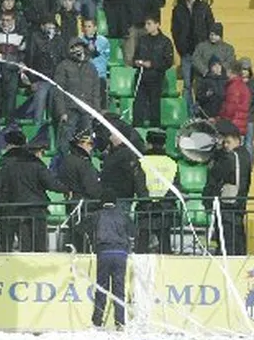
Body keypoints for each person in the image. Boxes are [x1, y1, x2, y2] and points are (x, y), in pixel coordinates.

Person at [0, 138, 66, 252]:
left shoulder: (11, 166)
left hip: (17, 210)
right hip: (36, 210)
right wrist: (67, 189)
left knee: (25, 246)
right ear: (37, 152)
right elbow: (51, 183)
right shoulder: (38, 166)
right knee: (39, 245)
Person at [204, 119, 252, 255]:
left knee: (227, 247)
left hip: (228, 208)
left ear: (237, 140)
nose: (225, 145)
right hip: (237, 208)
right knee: (237, 246)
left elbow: (216, 174)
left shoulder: (231, 157)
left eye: (227, 142)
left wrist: (215, 155)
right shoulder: (245, 155)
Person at [90, 189, 133, 329]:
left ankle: (97, 321)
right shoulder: (124, 215)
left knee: (102, 288)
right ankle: (120, 322)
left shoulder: (97, 215)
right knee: (119, 289)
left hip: (104, 252)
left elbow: (80, 227)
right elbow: (133, 231)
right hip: (121, 254)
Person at [56, 125, 102, 252]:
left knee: (74, 240)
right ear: (81, 144)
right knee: (86, 244)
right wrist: (102, 198)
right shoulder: (83, 163)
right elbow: (92, 188)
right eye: (90, 144)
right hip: (86, 207)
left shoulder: (66, 160)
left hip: (72, 206)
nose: (91, 147)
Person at [172, 0, 215, 108]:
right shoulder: (178, 10)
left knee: (201, 83)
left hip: (201, 53)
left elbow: (210, 26)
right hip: (186, 52)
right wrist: (180, 47)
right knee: (187, 84)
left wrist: (207, 47)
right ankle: (188, 111)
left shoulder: (204, 7)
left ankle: (200, 110)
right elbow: (175, 30)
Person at [137, 129, 179, 255]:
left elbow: (139, 186)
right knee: (165, 247)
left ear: (148, 144)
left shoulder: (142, 162)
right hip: (165, 210)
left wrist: (148, 203)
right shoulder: (172, 162)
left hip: (145, 209)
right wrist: (163, 204)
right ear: (164, 144)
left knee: (142, 247)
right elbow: (176, 187)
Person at [52, 39, 102, 145]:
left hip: (87, 110)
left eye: (78, 46)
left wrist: (96, 110)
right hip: (69, 110)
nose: (76, 50)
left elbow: (96, 91)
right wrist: (61, 112)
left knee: (86, 141)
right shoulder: (63, 66)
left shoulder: (91, 67)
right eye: (73, 47)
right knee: (65, 141)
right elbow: (58, 91)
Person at [133, 14, 175, 126]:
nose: (146, 26)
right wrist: (137, 62)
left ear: (157, 25)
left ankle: (155, 128)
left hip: (156, 78)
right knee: (138, 104)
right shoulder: (142, 40)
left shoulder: (165, 41)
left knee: (154, 105)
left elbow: (168, 62)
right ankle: (137, 127)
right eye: (146, 24)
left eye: (149, 24)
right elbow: (135, 56)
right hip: (141, 77)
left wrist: (152, 64)